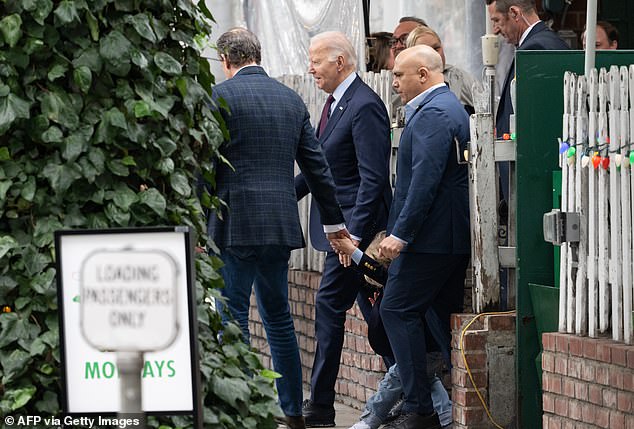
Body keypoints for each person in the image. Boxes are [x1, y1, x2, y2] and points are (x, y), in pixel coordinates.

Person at [208, 28, 349, 429]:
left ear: (225, 60)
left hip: (233, 224)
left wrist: (197, 225)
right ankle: (292, 412)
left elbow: (204, 167)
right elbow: (317, 168)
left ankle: (243, 409)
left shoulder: (218, 98)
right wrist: (335, 222)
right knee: (279, 319)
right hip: (278, 225)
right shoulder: (290, 100)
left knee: (233, 317)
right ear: (257, 53)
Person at [295, 31, 392, 428]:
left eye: (317, 60)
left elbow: (373, 180)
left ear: (341, 61)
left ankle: (320, 407)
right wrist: (281, 196)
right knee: (377, 317)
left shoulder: (365, 105)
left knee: (333, 307)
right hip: (342, 234)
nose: (310, 68)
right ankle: (415, 390)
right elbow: (321, 171)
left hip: (358, 234)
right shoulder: (333, 105)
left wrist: (350, 237)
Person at [378, 45, 471, 429]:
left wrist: (400, 235)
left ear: (423, 74)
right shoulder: (447, 107)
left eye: (400, 74)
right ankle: (442, 403)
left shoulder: (434, 113)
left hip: (430, 239)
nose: (394, 81)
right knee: (435, 317)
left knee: (396, 309)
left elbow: (423, 183)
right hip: (445, 237)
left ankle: (420, 409)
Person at [331, 235, 453, 429]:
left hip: (424, 351)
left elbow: (379, 273)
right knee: (428, 380)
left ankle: (369, 420)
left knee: (393, 381)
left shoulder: (398, 282)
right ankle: (447, 417)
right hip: (427, 351)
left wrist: (354, 253)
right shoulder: (389, 289)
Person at [406, 24, 477, 112]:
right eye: (426, 51)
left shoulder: (462, 79)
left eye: (436, 48)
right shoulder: (405, 86)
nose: (435, 55)